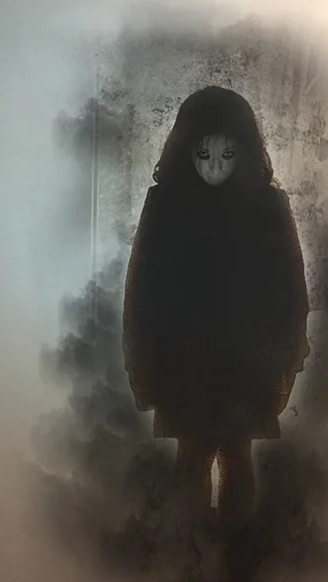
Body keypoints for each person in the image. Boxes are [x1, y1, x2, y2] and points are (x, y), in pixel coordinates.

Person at [123, 86, 309, 530]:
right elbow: (142, 286)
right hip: (183, 358)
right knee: (191, 456)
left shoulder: (268, 205)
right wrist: (145, 352)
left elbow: (290, 285)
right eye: (203, 155)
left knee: (237, 456)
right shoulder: (165, 203)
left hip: (246, 358)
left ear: (245, 152)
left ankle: (233, 547)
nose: (214, 167)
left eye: (227, 155)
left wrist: (283, 346)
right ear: (185, 151)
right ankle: (192, 548)